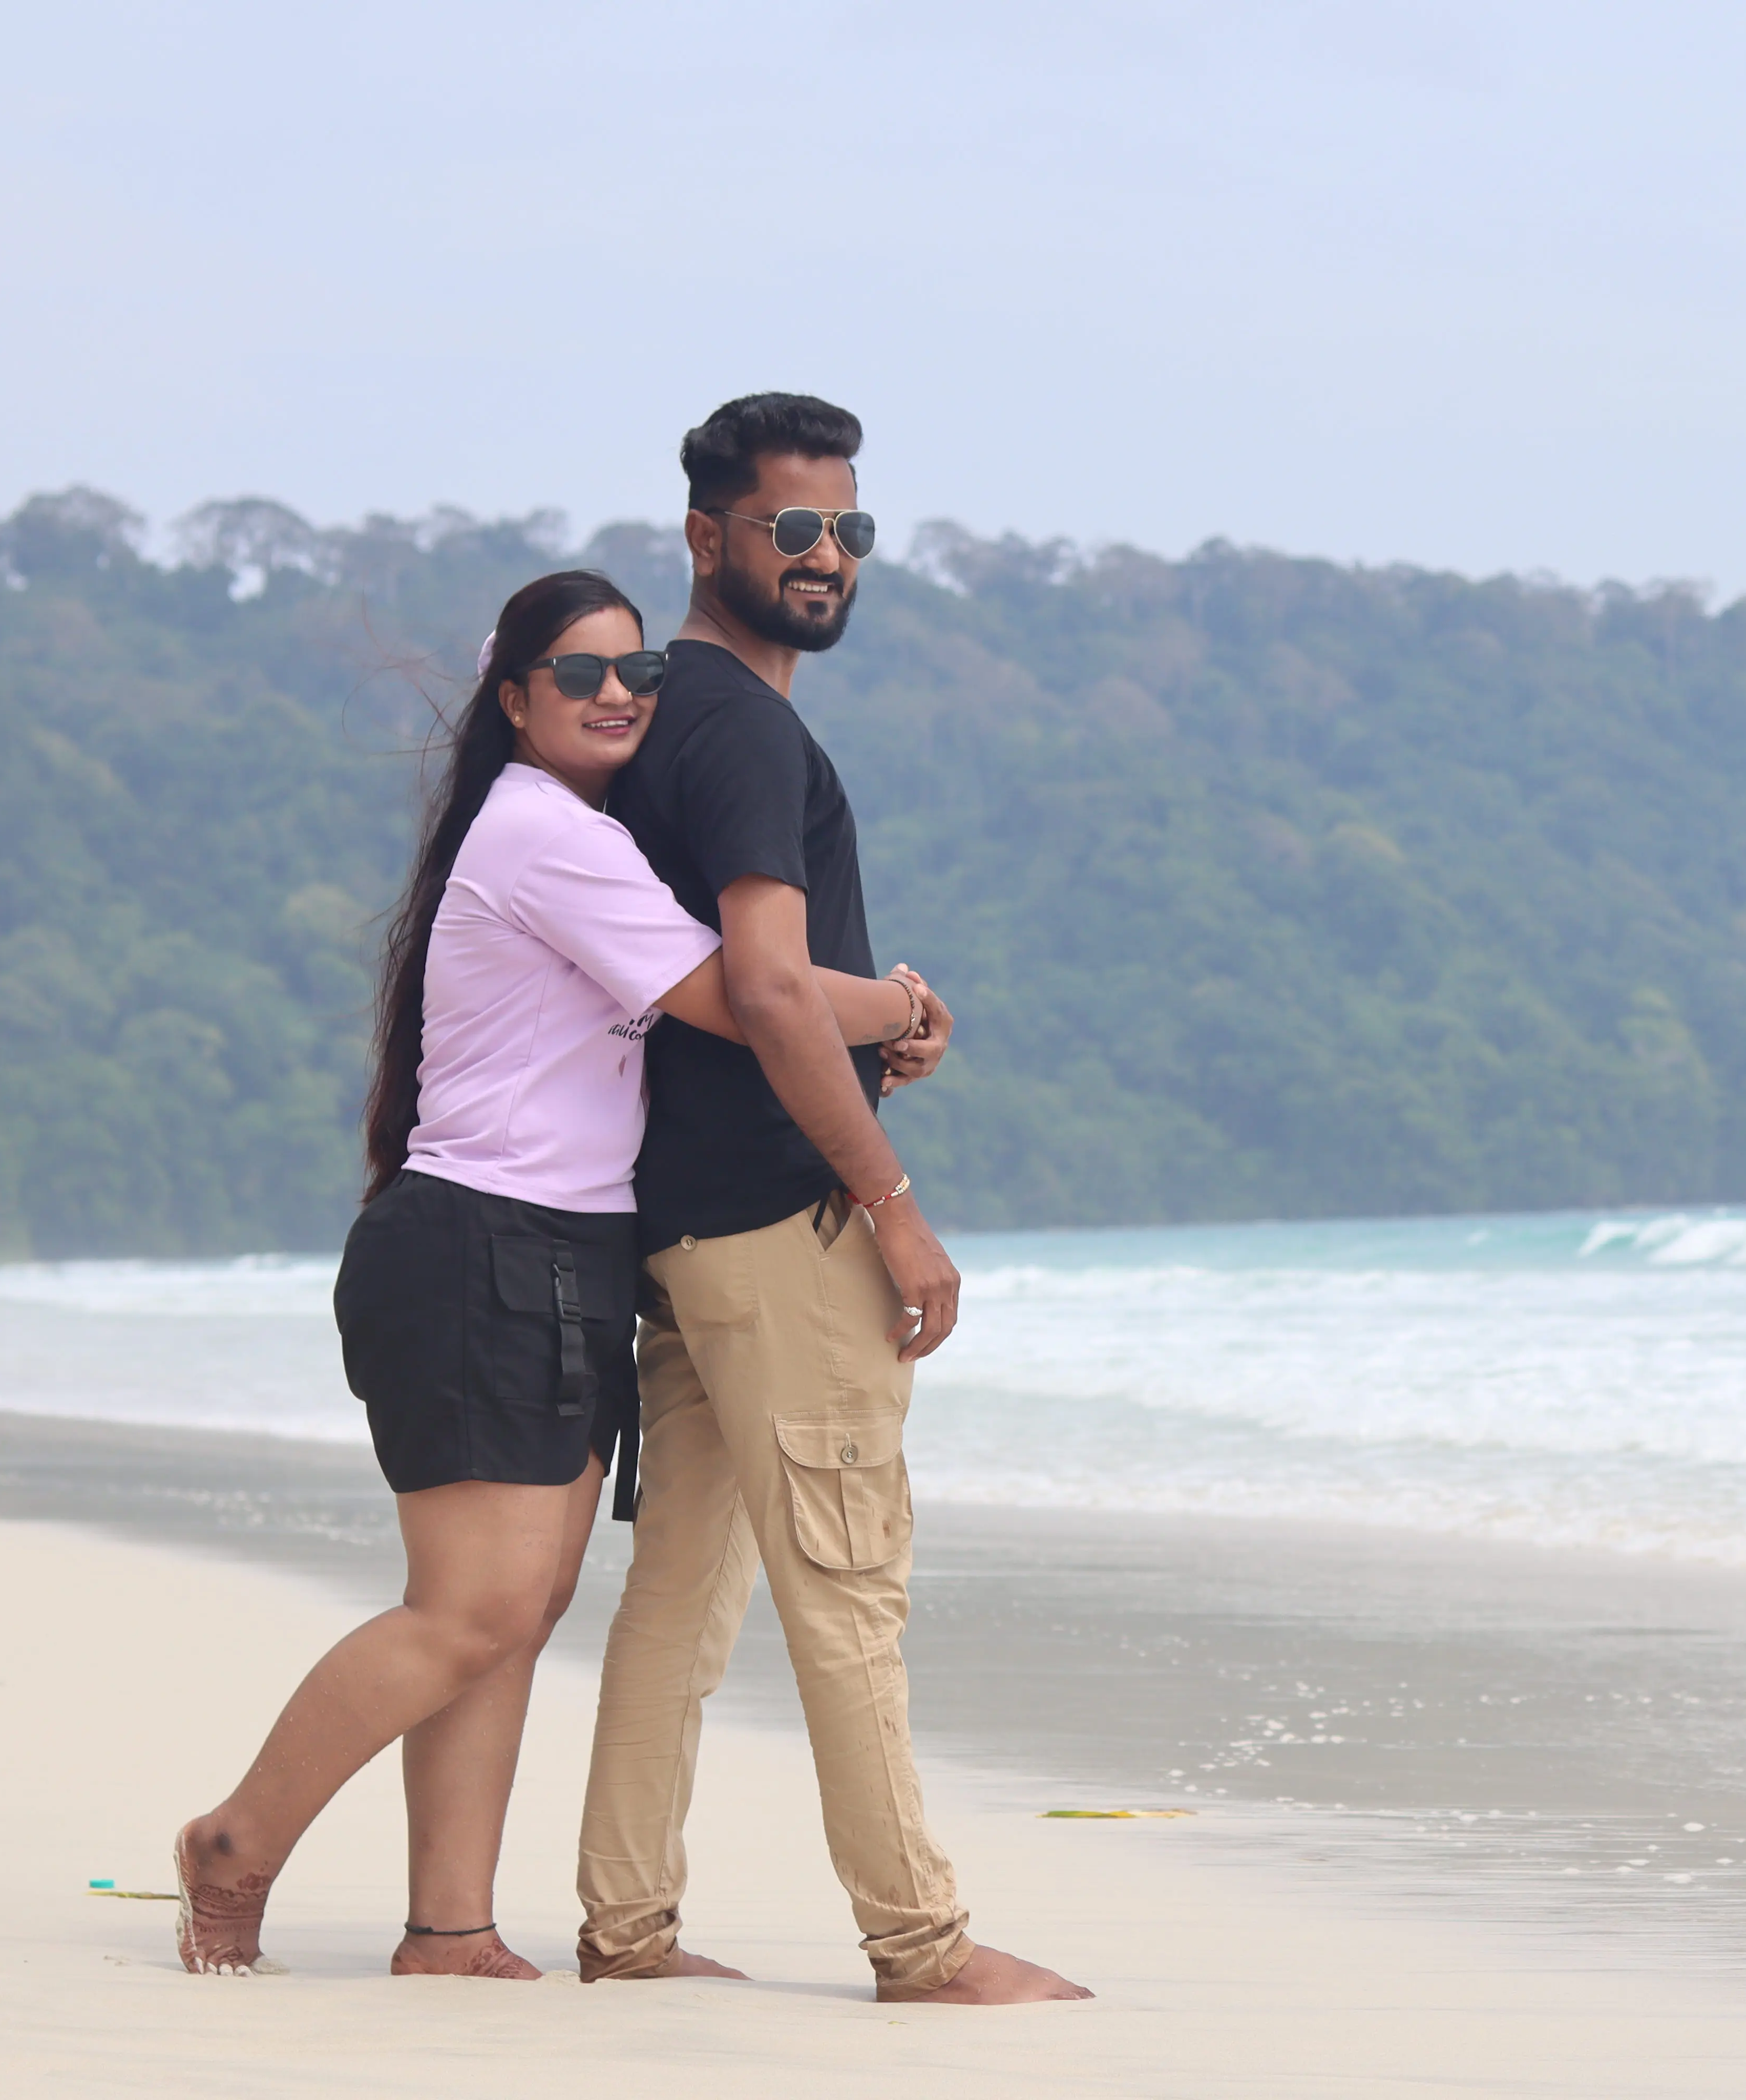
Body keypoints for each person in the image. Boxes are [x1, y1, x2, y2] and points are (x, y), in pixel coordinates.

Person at [173, 570, 930, 1977]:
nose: (615, 695)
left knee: (509, 1619)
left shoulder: (569, 835)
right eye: (575, 675)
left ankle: (451, 1928)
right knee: (476, 1609)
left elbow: (722, 977)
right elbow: (735, 992)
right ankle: (237, 1840)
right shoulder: (544, 838)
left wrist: (875, 1018)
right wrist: (899, 1005)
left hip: (555, 1247)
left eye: (632, 671)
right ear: (513, 702)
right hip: (485, 1245)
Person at [573, 394, 1087, 2006]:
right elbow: (773, 991)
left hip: (688, 1231)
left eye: (850, 529)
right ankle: (920, 1946)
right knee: (849, 1590)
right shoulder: (736, 724)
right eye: (794, 527)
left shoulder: (671, 719)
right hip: (785, 1238)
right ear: (708, 538)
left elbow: (758, 990)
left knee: (683, 1601)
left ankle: (627, 1930)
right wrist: (894, 1199)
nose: (827, 556)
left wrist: (889, 1023)